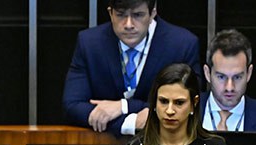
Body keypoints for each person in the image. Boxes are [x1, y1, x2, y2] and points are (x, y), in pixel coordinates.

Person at [62, 0, 200, 135]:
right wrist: (133, 123)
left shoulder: (182, 45)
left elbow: (189, 104)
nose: (128, 25)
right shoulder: (90, 43)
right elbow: (72, 106)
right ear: (110, 13)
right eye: (121, 15)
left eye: (138, 15)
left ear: (153, 13)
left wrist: (124, 106)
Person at [201, 29, 256, 132]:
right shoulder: (186, 112)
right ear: (207, 73)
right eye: (221, 77)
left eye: (237, 77)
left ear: (249, 73)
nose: (229, 87)